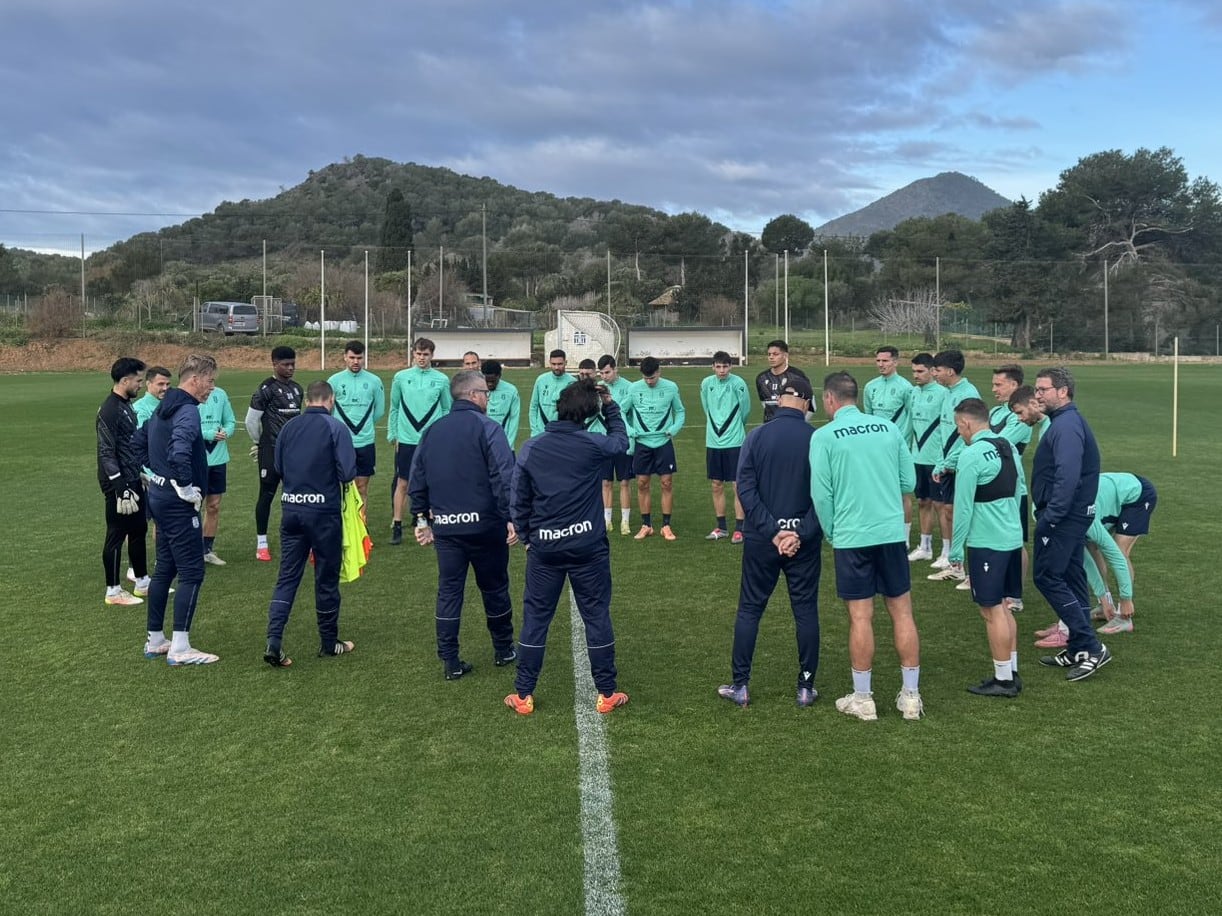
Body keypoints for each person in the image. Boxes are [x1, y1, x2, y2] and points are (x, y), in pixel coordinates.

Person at [505, 378, 630, 715]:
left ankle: (523, 694)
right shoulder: (592, 443)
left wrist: (530, 538)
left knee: (536, 618)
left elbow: (518, 500)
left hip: (545, 549)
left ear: (558, 408)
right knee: (596, 615)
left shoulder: (532, 446)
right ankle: (606, 692)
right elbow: (621, 443)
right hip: (588, 546)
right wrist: (611, 407)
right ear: (588, 414)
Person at [810, 371, 922, 721]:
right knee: (902, 612)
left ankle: (863, 699)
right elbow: (910, 482)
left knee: (861, 617)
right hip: (890, 534)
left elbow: (821, 494)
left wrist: (832, 532)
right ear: (856, 396)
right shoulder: (888, 429)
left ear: (829, 399)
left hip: (852, 536)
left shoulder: (824, 436)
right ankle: (911, 697)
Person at [717, 376, 823, 708]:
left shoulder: (757, 436)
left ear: (779, 402)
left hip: (762, 539)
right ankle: (805, 687)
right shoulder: (817, 439)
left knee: (750, 609)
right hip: (803, 541)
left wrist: (773, 531)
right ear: (806, 402)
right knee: (805, 611)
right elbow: (826, 496)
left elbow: (744, 489)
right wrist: (798, 532)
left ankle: (741, 685)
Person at [410, 370, 518, 679]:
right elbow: (504, 476)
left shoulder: (433, 431)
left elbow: (417, 478)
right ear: (473, 395)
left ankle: (450, 660)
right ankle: (503, 648)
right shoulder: (488, 428)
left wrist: (421, 519)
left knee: (449, 591)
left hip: (446, 528)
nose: (488, 398)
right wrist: (512, 516)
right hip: (486, 527)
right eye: (485, 392)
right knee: (495, 588)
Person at [263, 381, 358, 667]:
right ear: (331, 400)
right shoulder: (336, 428)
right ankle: (329, 643)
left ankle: (274, 639)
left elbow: (278, 466)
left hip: (291, 510)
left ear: (306, 400)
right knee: (326, 579)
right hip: (324, 514)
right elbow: (347, 472)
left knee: (287, 577)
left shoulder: (289, 428)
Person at [135, 354, 220, 665]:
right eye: (210, 381)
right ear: (195, 379)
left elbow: (138, 442)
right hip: (176, 503)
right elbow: (180, 450)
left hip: (159, 497)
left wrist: (151, 474)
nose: (212, 388)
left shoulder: (161, 408)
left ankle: (155, 639)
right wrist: (183, 486)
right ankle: (180, 648)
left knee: (166, 568)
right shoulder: (186, 411)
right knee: (193, 572)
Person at [1031, 366, 1111, 681]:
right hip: (1069, 514)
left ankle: (1091, 647)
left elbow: (1068, 474)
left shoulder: (1066, 426)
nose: (1038, 395)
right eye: (1036, 389)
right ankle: (1080, 645)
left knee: (1046, 576)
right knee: (1072, 575)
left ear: (1062, 392)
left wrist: (1052, 515)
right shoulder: (1062, 423)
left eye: (1043, 389)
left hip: (1064, 517)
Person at [948, 398, 1024, 698]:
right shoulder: (1006, 445)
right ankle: (1011, 671)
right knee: (1004, 606)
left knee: (991, 610)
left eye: (958, 427)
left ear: (965, 423)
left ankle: (1003, 679)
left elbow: (962, 508)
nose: (959, 433)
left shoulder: (971, 455)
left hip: (986, 543)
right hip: (1011, 538)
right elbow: (1019, 489)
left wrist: (955, 552)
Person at [388, 338, 451, 546]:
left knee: (432, 482)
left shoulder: (441, 380)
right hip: (406, 440)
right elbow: (395, 407)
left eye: (426, 354)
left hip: (431, 441)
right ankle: (397, 524)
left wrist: (442, 435)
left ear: (432, 355)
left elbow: (446, 409)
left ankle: (430, 521)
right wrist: (393, 434)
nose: (422, 358)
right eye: (418, 354)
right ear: (412, 353)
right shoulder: (401, 377)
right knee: (403, 482)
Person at [97, 357, 149, 607]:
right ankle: (113, 591)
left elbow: (127, 445)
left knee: (139, 529)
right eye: (138, 380)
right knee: (116, 534)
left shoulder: (127, 405)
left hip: (131, 478)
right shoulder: (109, 409)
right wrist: (120, 487)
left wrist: (137, 473)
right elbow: (106, 451)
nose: (141, 385)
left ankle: (142, 582)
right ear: (125, 380)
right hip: (117, 484)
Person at [928, 350, 980, 581]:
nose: (934, 374)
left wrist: (951, 462)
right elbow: (943, 430)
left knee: (964, 513)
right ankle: (953, 561)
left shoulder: (968, 394)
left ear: (950, 371)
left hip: (961, 464)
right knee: (948, 510)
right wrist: (941, 461)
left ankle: (968, 565)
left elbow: (968, 434)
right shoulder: (947, 393)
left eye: (937, 370)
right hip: (947, 463)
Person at [247, 346, 302, 562]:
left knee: (295, 495)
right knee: (267, 495)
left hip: (293, 452)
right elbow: (251, 421)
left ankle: (296, 539)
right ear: (274, 364)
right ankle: (262, 543)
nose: (290, 368)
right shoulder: (266, 389)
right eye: (285, 364)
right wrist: (259, 443)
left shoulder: (298, 389)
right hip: (270, 451)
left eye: (292, 364)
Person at [625, 356, 686, 540]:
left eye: (652, 377)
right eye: (645, 378)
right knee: (643, 483)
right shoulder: (634, 388)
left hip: (663, 443)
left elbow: (680, 411)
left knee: (666, 483)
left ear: (659, 372)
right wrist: (630, 429)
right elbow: (621, 410)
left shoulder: (671, 387)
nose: (649, 381)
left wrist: (674, 429)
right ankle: (646, 525)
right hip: (643, 444)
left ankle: (666, 526)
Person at [988, 364, 1033, 610]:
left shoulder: (1020, 418)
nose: (994, 389)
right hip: (991, 485)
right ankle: (1000, 585)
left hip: (1014, 487)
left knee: (1016, 540)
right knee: (995, 536)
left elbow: (998, 443)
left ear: (1014, 386)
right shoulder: (994, 412)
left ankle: (1016, 593)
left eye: (998, 384)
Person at [328, 340, 386, 513]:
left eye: (359, 358)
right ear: (345, 357)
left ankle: (361, 528)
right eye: (352, 357)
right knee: (341, 486)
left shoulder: (374, 381)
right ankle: (342, 526)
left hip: (365, 443)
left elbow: (379, 411)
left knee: (362, 487)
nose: (355, 361)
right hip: (341, 443)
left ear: (364, 358)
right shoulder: (334, 381)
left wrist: (365, 427)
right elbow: (328, 411)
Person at [700, 350, 751, 543]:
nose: (722, 370)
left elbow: (745, 410)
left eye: (725, 366)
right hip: (713, 442)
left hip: (735, 441)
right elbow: (706, 407)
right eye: (718, 366)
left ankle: (740, 528)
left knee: (737, 485)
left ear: (731, 366)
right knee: (716, 485)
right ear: (713, 367)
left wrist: (736, 428)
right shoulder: (706, 384)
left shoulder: (738, 384)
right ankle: (721, 527)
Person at [905, 353, 947, 564]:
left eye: (920, 371)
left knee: (941, 505)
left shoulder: (943, 394)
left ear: (932, 371)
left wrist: (943, 457)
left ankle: (947, 552)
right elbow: (910, 424)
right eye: (914, 371)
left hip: (936, 458)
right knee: (923, 501)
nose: (916, 375)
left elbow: (947, 428)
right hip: (917, 457)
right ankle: (925, 546)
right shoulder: (913, 393)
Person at [198, 382, 235, 566]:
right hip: (196, 460)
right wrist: (208, 434)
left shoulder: (221, 394)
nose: (211, 384)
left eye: (213, 380)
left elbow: (230, 421)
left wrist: (226, 431)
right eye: (208, 379)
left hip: (219, 459)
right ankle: (191, 550)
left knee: (213, 506)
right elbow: (184, 427)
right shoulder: (189, 396)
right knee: (193, 507)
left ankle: (207, 550)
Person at [597, 354, 635, 535]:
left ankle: (625, 522)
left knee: (625, 482)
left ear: (615, 369)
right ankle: (607, 520)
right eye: (601, 373)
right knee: (605, 482)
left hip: (622, 441)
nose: (604, 376)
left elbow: (630, 414)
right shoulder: (598, 388)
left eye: (607, 372)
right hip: (605, 441)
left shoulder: (629, 387)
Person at [755, 339, 809, 423]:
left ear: (785, 355)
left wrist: (799, 424)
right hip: (769, 427)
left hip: (792, 426)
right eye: (769, 354)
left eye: (775, 354)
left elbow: (810, 406)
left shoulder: (798, 376)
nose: (771, 357)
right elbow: (764, 403)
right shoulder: (761, 378)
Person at [528, 349, 575, 437]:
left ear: (566, 362)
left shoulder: (572, 382)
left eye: (560, 364)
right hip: (541, 433)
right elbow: (533, 406)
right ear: (549, 362)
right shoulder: (541, 380)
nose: (556, 367)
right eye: (553, 364)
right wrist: (535, 430)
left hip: (562, 434)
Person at [482, 359, 521, 449]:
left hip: (505, 445)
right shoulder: (478, 391)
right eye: (487, 381)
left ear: (499, 376)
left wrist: (508, 445)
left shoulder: (511, 391)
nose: (489, 384)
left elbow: (514, 419)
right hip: (483, 447)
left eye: (492, 381)